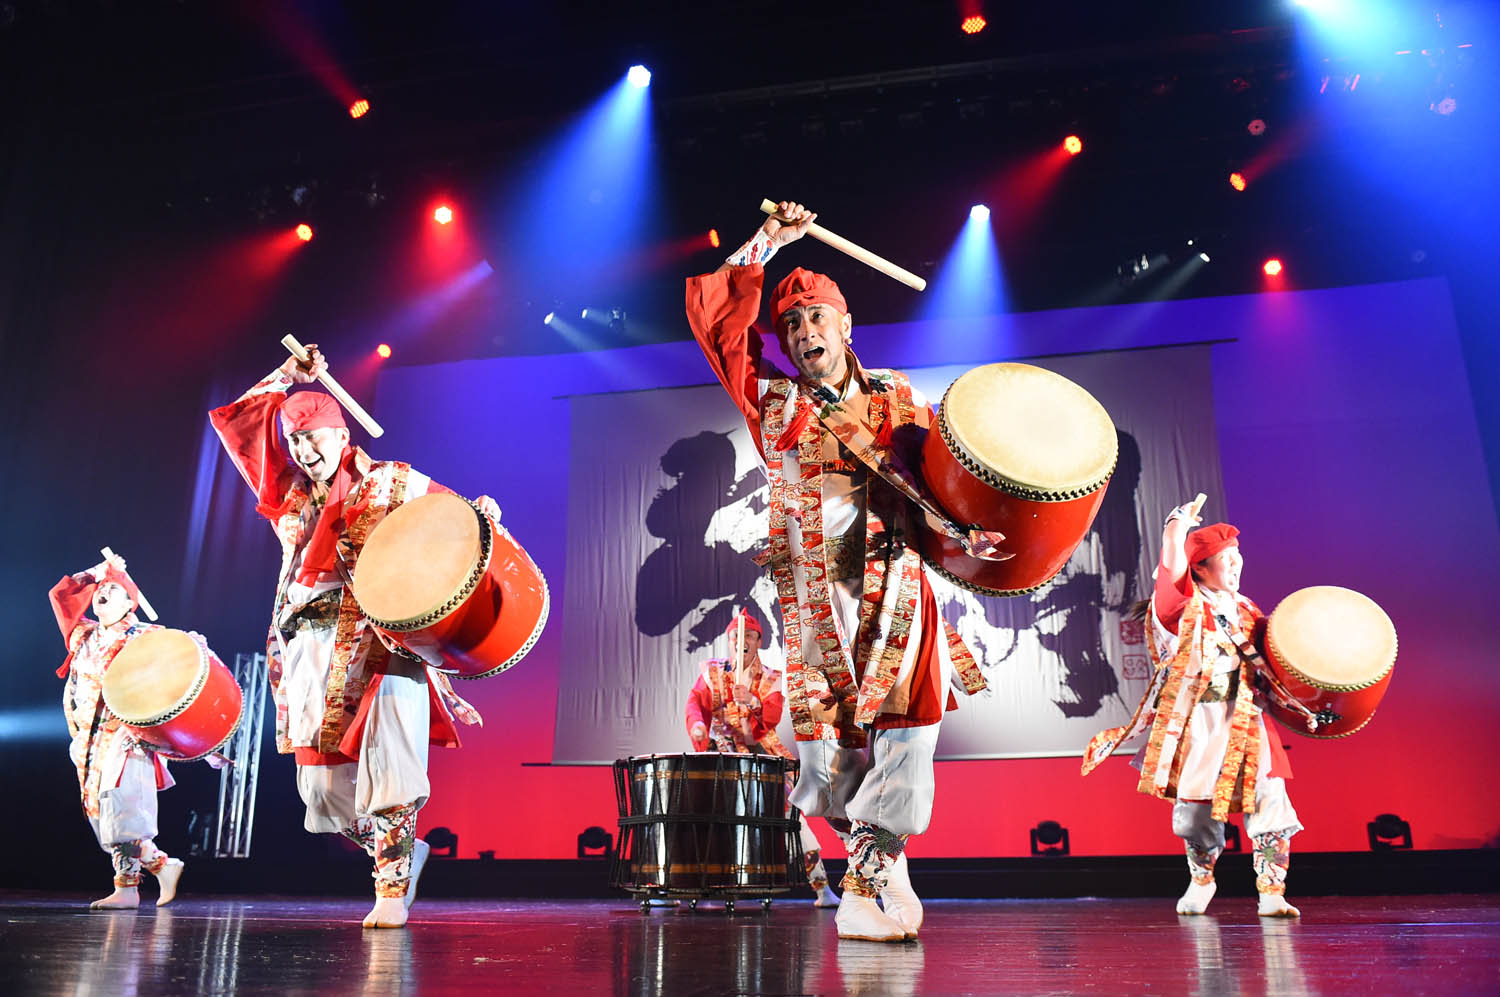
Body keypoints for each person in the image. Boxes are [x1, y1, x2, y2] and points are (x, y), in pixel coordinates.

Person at [685, 202, 990, 941]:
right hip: (820, 601)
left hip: (897, 589)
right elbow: (722, 330)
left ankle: (860, 892)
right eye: (790, 324)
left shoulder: (898, 400)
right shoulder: (774, 403)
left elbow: (942, 489)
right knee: (836, 761)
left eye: (816, 317)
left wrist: (970, 532)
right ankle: (882, 874)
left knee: (911, 734)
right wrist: (766, 243)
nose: (803, 332)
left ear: (846, 326)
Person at [209, 345, 495, 928]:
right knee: (321, 791)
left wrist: (480, 511)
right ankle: (401, 852)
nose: (302, 450)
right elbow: (239, 427)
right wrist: (286, 376)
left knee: (391, 763)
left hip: (382, 639)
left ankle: (390, 887)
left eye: (312, 437)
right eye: (293, 441)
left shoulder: (390, 481)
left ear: (341, 435)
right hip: (311, 646)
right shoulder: (286, 494)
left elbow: (455, 519)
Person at [1082, 503, 1316, 917]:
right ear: (1201, 569)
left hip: (1246, 719)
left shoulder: (1247, 611)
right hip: (1200, 724)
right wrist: (1175, 529)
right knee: (1195, 815)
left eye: (1238, 556)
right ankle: (1202, 879)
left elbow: (1277, 667)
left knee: (1269, 801)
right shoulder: (1179, 610)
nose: (1237, 564)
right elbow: (1170, 574)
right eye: (1227, 559)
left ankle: (1272, 891)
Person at [49, 553, 185, 910]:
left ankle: (136, 881)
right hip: (88, 741)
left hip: (125, 736)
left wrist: (190, 647)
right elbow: (61, 596)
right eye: (100, 589)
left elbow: (182, 663)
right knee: (99, 815)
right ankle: (151, 872)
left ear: (130, 603)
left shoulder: (144, 636)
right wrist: (96, 572)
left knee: (121, 809)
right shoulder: (83, 635)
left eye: (112, 589)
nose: (102, 592)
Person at [685, 610, 839, 907]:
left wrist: (753, 701)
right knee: (703, 817)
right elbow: (695, 702)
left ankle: (821, 887)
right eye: (736, 636)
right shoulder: (712, 672)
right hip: (721, 752)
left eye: (750, 636)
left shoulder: (771, 678)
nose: (742, 641)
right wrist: (698, 724)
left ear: (759, 642)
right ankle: (685, 887)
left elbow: (770, 717)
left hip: (761, 754)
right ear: (729, 640)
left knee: (791, 816)